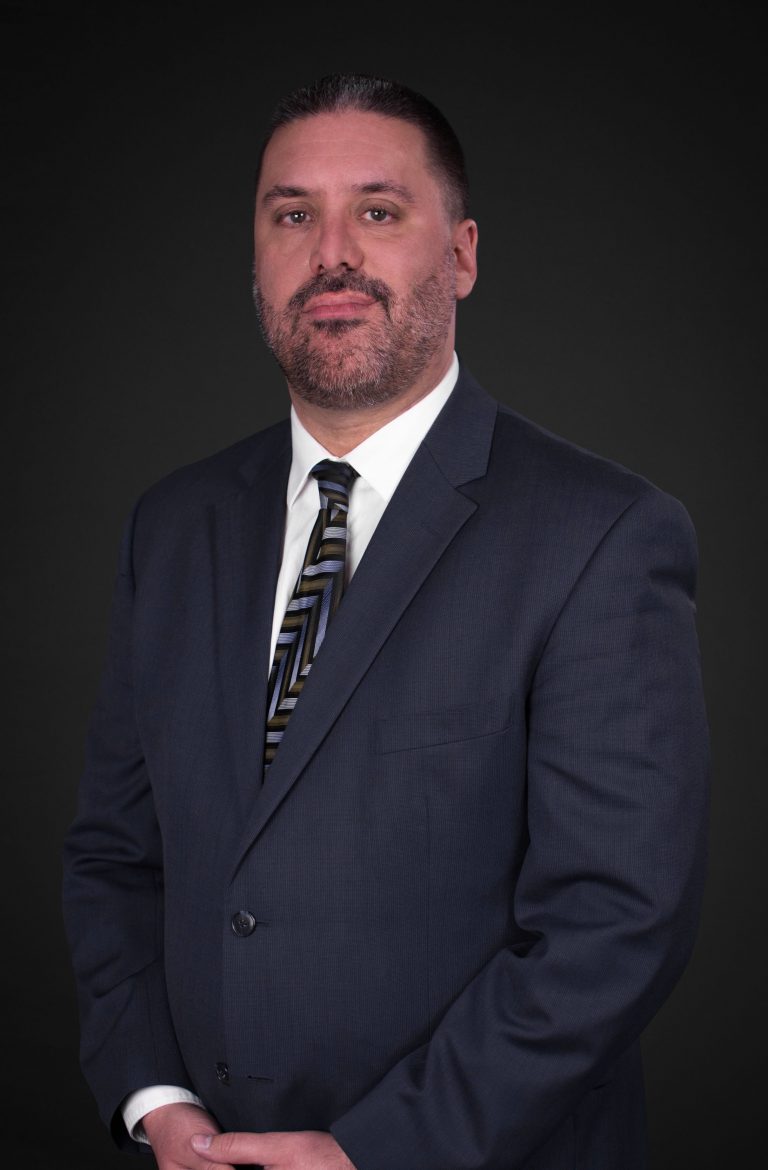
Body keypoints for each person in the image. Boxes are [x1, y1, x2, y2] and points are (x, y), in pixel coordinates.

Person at [62, 73, 709, 1170]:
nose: (331, 254)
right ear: (257, 257)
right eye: (291, 215)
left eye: (377, 210)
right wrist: (154, 1096)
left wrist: (377, 1150)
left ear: (460, 254)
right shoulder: (170, 527)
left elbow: (615, 921)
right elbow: (116, 857)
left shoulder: (602, 534)